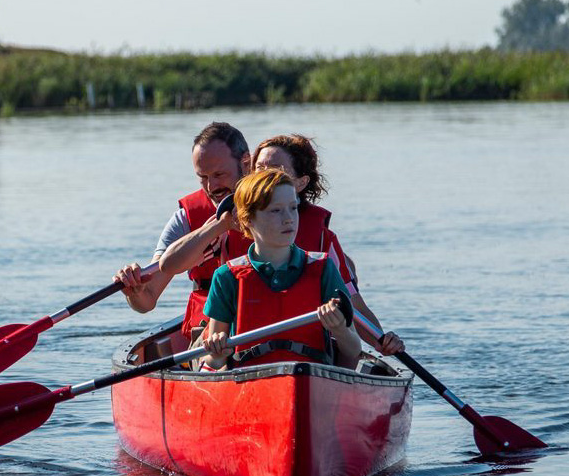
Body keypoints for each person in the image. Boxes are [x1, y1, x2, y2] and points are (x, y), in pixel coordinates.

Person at [161, 133, 404, 355]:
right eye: (259, 168)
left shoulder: (321, 244)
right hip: (236, 352)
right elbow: (168, 266)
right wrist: (217, 226)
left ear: (299, 183)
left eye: (276, 169)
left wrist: (381, 342)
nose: (266, 176)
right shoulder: (228, 224)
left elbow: (353, 305)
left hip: (306, 355)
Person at [200, 169, 361, 371]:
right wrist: (216, 355)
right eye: (276, 211)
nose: (288, 219)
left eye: (293, 208)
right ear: (248, 219)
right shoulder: (226, 277)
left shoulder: (323, 267)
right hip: (248, 387)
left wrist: (340, 330)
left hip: (312, 382)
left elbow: (354, 349)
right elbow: (213, 364)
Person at [114, 122, 251, 342]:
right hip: (209, 336)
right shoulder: (186, 217)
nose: (211, 187)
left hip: (264, 324)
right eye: (203, 177)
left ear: (246, 163)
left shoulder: (281, 208)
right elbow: (147, 300)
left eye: (219, 174)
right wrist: (136, 291)